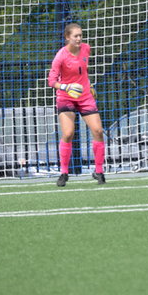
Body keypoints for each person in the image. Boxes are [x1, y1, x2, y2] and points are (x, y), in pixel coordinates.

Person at [48, 23, 106, 187]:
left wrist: (88, 85)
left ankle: (99, 171)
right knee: (68, 134)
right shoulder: (61, 56)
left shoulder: (86, 49)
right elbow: (51, 81)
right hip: (66, 96)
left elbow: (83, 71)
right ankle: (64, 173)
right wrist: (67, 87)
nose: (79, 38)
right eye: (76, 36)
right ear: (67, 37)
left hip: (85, 96)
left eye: (80, 35)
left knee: (98, 131)